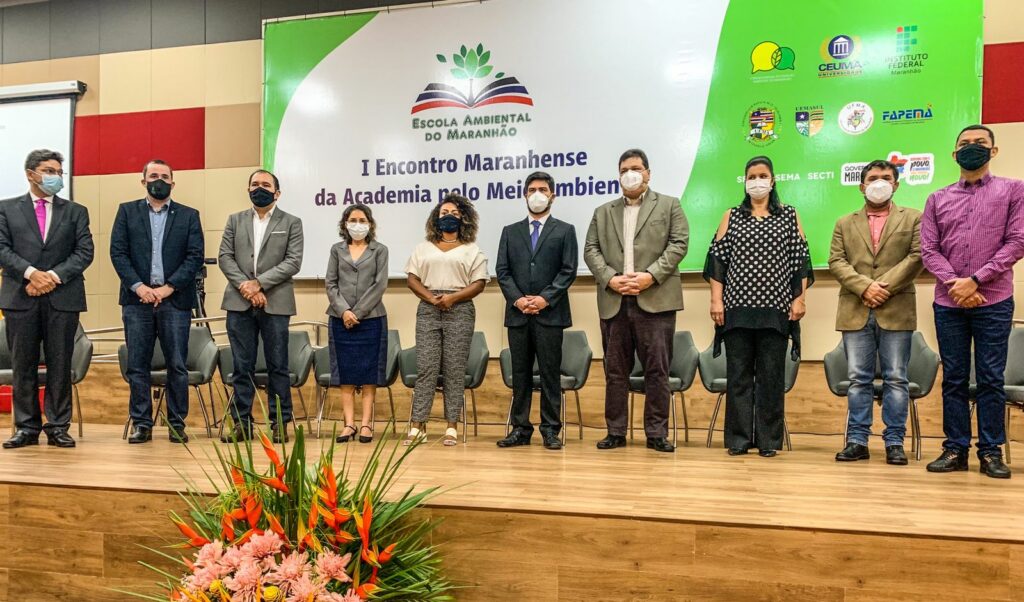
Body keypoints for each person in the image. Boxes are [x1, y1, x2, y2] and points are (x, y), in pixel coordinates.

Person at [922, 124, 1024, 479]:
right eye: (964, 143)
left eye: (980, 142)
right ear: (954, 154)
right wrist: (956, 285)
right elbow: (929, 250)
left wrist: (976, 280)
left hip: (993, 300)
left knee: (991, 378)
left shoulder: (1013, 190)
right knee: (953, 378)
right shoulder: (937, 198)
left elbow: (1017, 241)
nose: (972, 147)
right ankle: (955, 449)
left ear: (993, 151)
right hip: (949, 302)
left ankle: (991, 452)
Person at [704, 156, 811, 458]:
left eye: (763, 175)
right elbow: (717, 261)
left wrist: (800, 298)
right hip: (737, 309)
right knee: (738, 377)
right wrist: (716, 300)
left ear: (772, 180)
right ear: (745, 181)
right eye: (751, 176)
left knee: (770, 377)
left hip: (775, 310)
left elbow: (800, 261)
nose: (757, 181)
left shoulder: (789, 215)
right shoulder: (731, 216)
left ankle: (767, 440)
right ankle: (738, 439)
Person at [584, 148, 688, 453]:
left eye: (636, 168)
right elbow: (591, 250)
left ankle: (656, 433)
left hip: (655, 299)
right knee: (615, 371)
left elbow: (679, 244)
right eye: (624, 170)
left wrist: (650, 276)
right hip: (615, 301)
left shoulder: (669, 205)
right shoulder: (603, 212)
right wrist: (610, 278)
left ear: (648, 173)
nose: (630, 174)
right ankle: (615, 431)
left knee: (657, 370)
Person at [829, 159, 923, 465]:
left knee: (896, 378)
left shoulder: (914, 218)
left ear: (896, 184)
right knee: (858, 379)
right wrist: (865, 287)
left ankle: (895, 442)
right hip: (855, 308)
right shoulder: (844, 222)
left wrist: (882, 288)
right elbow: (836, 261)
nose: (879, 182)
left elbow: (917, 256)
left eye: (885, 177)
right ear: (862, 186)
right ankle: (857, 441)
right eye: (872, 178)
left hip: (897, 308)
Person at [0, 149, 94, 449]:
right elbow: (2, 249)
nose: (56, 177)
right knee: (23, 364)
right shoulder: (6, 209)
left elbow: (84, 252)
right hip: (20, 296)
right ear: (31, 174)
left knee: (60, 363)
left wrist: (50, 277)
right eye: (49, 171)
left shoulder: (76, 211)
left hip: (62, 297)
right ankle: (26, 428)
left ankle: (57, 427)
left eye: (59, 172)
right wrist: (30, 274)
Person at [111, 160, 204, 444]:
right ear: (143, 181)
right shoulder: (127, 211)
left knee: (177, 364)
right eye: (153, 176)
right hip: (136, 300)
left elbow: (194, 256)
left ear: (173, 183)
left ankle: (176, 424)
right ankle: (142, 424)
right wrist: (139, 287)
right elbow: (118, 253)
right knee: (137, 365)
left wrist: (168, 288)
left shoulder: (189, 215)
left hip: (174, 301)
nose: (159, 180)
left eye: (165, 176)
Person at [219, 169, 304, 444]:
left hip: (275, 302)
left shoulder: (291, 222)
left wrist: (259, 284)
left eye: (266, 185)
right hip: (239, 302)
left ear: (277, 192)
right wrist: (246, 286)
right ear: (248, 190)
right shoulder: (235, 220)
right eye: (254, 184)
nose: (259, 188)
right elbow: (225, 257)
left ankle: (279, 423)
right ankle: (241, 423)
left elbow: (293, 261)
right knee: (241, 366)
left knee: (277, 366)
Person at [495, 171, 578, 450]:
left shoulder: (565, 230)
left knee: (549, 374)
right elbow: (502, 271)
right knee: (520, 375)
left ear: (553, 195)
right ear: (524, 195)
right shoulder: (510, 231)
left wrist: (544, 299)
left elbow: (568, 271)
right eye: (532, 190)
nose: (537, 194)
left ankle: (550, 430)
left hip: (550, 315)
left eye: (543, 189)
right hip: (518, 315)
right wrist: (518, 300)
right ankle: (520, 428)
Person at [405, 192, 489, 446]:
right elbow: (412, 279)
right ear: (436, 218)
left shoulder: (472, 250)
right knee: (427, 367)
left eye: (454, 213)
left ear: (464, 218)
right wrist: (432, 299)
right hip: (428, 308)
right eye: (444, 213)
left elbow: (479, 283)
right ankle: (418, 425)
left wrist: (452, 298)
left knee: (454, 368)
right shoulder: (422, 248)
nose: (449, 217)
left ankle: (452, 425)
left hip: (460, 308)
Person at [325, 204, 388, 444]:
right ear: (345, 224)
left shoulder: (380, 250)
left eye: (362, 220)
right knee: (346, 373)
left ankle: (366, 424)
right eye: (353, 220)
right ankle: (349, 424)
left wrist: (357, 313)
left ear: (370, 224)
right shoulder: (336, 249)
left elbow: (380, 285)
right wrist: (344, 311)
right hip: (340, 319)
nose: (358, 224)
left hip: (371, 319)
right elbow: (331, 283)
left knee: (369, 373)